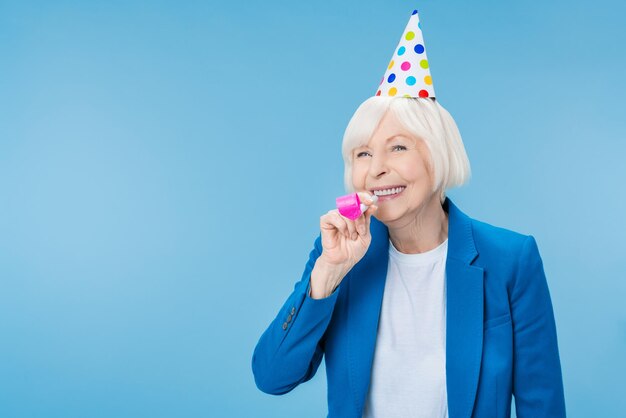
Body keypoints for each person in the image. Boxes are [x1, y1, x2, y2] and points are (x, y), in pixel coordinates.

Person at [252, 9, 565, 418]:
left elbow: (542, 406)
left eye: (398, 147)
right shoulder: (339, 258)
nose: (376, 168)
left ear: (438, 156)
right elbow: (271, 377)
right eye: (363, 153)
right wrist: (327, 274)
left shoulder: (511, 259)